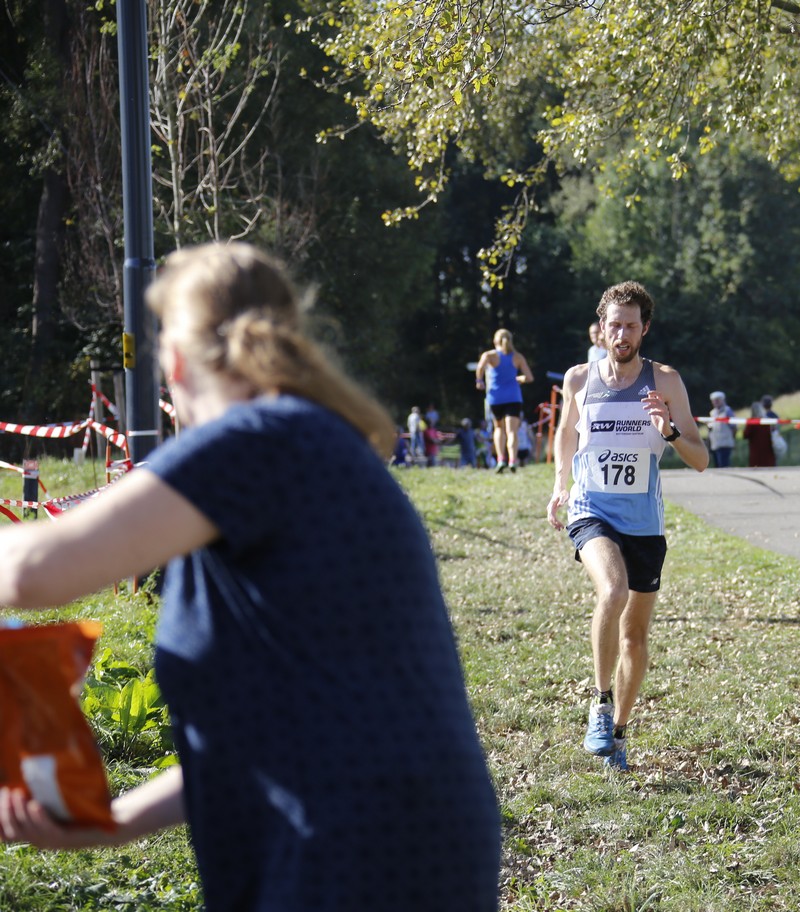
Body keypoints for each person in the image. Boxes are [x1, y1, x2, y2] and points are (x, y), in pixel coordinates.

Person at [0, 243, 500, 909]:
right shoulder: (302, 445)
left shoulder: (257, 441)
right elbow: (265, 735)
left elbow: (34, 571)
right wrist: (113, 822)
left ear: (175, 361)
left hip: (356, 852)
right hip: (390, 836)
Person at [547, 281, 709, 773]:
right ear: (601, 328)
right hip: (591, 509)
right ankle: (600, 704)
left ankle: (618, 733)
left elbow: (700, 459)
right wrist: (560, 484)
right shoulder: (579, 379)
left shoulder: (666, 382)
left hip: (644, 522)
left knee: (634, 638)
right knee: (612, 590)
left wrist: (669, 431)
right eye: (614, 325)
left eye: (631, 326)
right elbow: (566, 434)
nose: (621, 334)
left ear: (645, 329)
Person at [475, 328, 534, 473]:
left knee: (499, 428)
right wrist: (520, 378)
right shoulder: (517, 357)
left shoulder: (489, 355)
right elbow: (529, 377)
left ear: (495, 340)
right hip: (513, 397)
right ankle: (513, 460)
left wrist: (479, 381)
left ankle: (501, 459)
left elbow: (480, 368)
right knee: (512, 431)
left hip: (495, 398)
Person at [707, 391, 736, 468]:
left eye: (717, 400)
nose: (715, 402)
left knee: (724, 466)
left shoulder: (728, 411)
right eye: (714, 400)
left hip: (725, 444)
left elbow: (734, 427)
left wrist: (732, 439)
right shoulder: (712, 413)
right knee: (717, 467)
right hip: (715, 444)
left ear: (723, 400)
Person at [744, 401, 776, 467]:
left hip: (755, 453)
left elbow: (745, 435)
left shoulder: (751, 422)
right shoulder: (768, 421)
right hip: (768, 451)